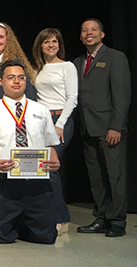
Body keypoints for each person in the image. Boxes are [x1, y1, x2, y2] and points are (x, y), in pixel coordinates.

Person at [0, 60, 61, 244]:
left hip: (36, 182)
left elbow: (50, 144)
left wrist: (55, 162)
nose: (17, 81)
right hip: (2, 182)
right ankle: (7, 222)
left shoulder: (41, 110)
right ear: (1, 81)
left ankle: (21, 222)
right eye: (11, 77)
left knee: (46, 237)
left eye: (21, 77)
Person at [74, 19, 131, 238]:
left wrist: (116, 126)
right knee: (96, 177)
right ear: (80, 36)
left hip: (109, 128)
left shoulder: (115, 58)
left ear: (102, 34)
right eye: (84, 30)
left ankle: (117, 220)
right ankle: (101, 218)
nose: (89, 33)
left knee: (114, 176)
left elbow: (121, 94)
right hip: (88, 128)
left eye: (93, 30)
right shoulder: (79, 61)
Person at [31, 28, 78, 235]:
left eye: (54, 42)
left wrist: (60, 124)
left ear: (60, 45)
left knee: (50, 166)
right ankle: (45, 214)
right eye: (46, 42)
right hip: (40, 120)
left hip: (59, 119)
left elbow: (72, 98)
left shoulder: (67, 67)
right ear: (40, 46)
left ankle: (61, 218)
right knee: (39, 168)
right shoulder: (37, 69)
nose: (51, 45)